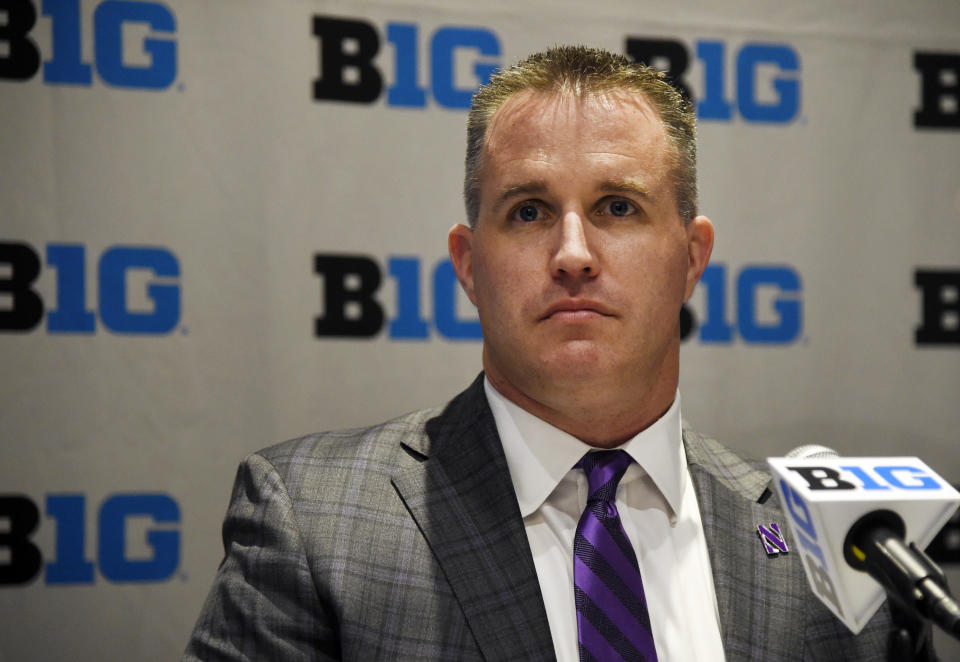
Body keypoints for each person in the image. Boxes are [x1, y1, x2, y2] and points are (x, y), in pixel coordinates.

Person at [184, 46, 919, 661]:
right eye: (529, 211)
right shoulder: (315, 524)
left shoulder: (841, 548)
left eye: (618, 207)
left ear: (691, 259)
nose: (572, 254)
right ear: (469, 264)